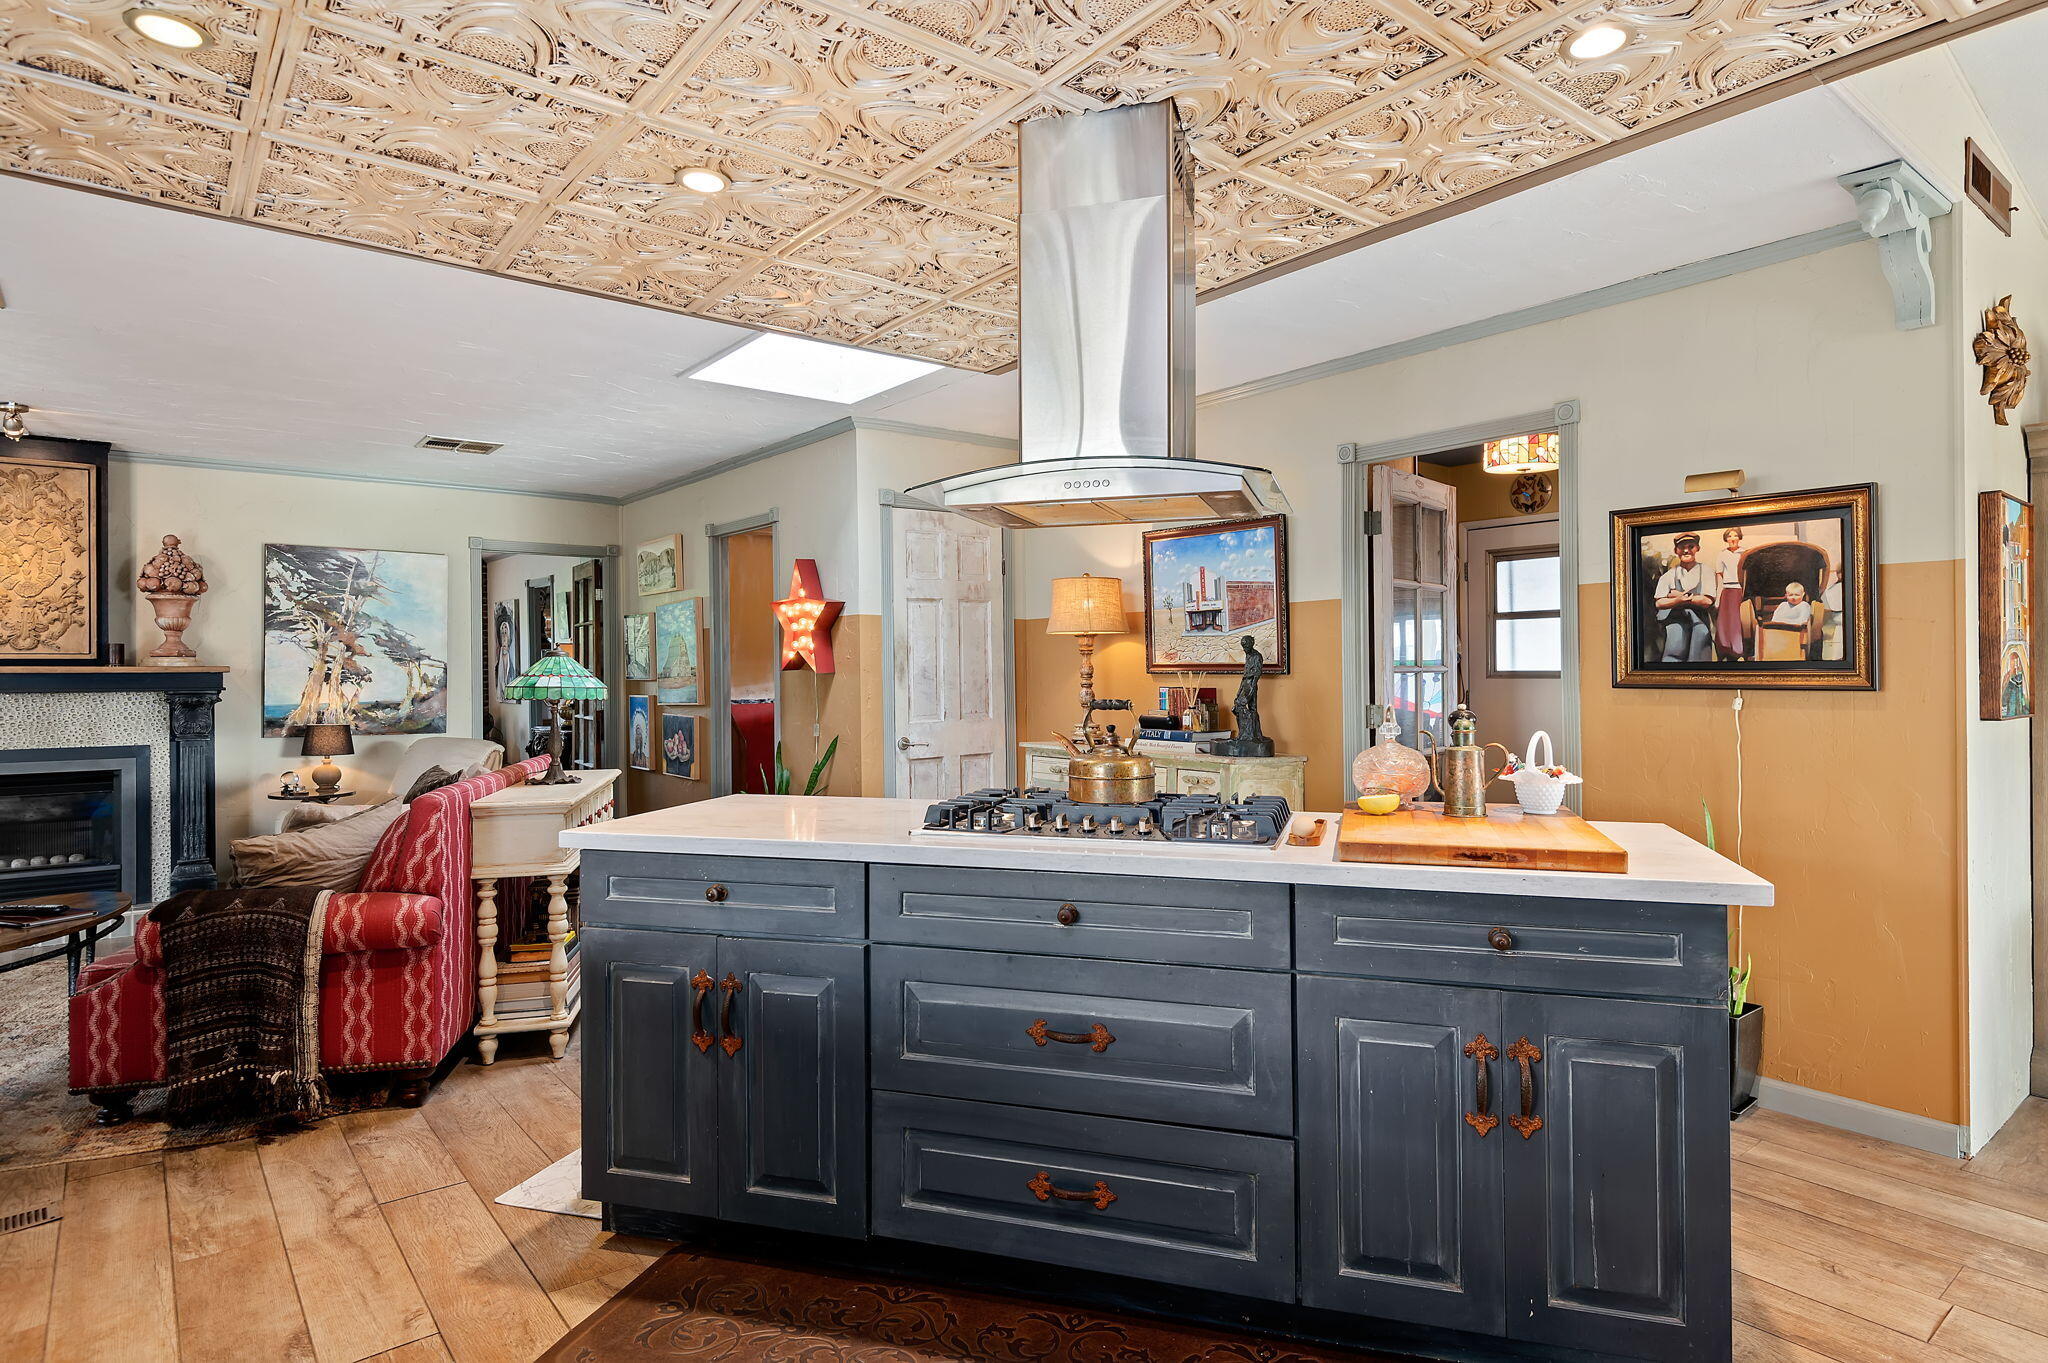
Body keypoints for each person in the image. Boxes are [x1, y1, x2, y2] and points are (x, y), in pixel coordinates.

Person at [1654, 533, 1715, 663]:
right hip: (1675, 621)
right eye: (1682, 547)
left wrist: (1679, 595)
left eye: (1691, 546)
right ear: (1676, 550)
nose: (1686, 550)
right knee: (1673, 657)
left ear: (1697, 548)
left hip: (1699, 621)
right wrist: (1677, 600)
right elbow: (1659, 602)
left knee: (1699, 658)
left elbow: (1707, 601)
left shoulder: (1706, 571)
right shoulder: (1669, 575)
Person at [1713, 527, 1746, 659]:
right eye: (1729, 536)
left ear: (1739, 537)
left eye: (1735, 536)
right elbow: (1720, 576)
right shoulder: (1722, 554)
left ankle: (1738, 651)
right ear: (1726, 539)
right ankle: (1724, 649)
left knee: (1738, 621)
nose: (1732, 539)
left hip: (1740, 591)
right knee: (1725, 622)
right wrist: (1718, 596)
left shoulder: (1745, 553)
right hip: (1727, 591)